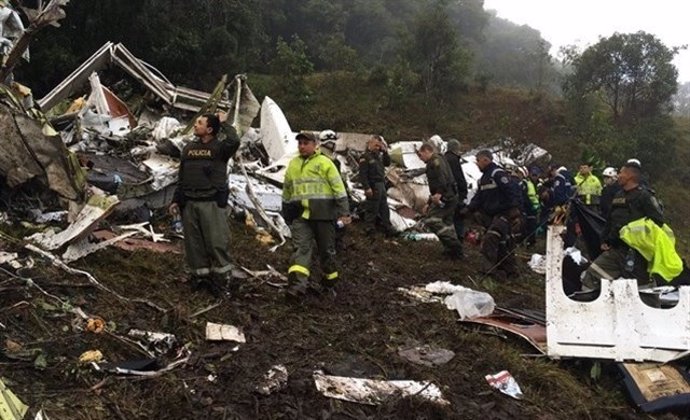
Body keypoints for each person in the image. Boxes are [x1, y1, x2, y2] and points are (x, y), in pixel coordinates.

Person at [169, 112, 240, 297]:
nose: (195, 125)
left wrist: (224, 124)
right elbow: (182, 176)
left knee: (216, 243)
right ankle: (200, 280)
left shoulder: (220, 149)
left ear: (209, 129)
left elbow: (234, 141)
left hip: (211, 203)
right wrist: (176, 200)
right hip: (189, 203)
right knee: (194, 245)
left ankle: (222, 282)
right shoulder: (188, 149)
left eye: (199, 122)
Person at [282, 132, 351, 296]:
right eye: (300, 144)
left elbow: (339, 190)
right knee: (301, 250)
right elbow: (287, 190)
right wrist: (286, 212)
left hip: (324, 216)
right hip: (301, 216)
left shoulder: (325, 163)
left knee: (326, 252)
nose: (302, 146)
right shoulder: (293, 164)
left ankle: (329, 282)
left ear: (315, 145)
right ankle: (297, 286)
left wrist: (344, 212)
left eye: (306, 143)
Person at [581, 162, 664, 292]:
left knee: (641, 290)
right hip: (615, 250)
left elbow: (658, 221)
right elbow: (610, 219)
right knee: (591, 276)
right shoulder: (618, 195)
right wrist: (605, 239)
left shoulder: (645, 196)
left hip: (636, 254)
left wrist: (634, 232)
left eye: (621, 173)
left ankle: (653, 309)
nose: (618, 176)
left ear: (630, 176)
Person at [464, 150, 523, 279]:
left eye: (478, 161)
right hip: (491, 215)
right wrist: (468, 209)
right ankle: (510, 271)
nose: (477, 164)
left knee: (491, 237)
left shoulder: (497, 174)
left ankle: (488, 271)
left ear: (485, 160)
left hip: (504, 213)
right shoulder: (483, 179)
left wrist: (515, 209)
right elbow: (478, 197)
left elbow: (511, 190)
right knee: (503, 242)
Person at [416, 143, 463, 259]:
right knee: (447, 222)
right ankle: (452, 250)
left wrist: (439, 194)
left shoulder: (435, 161)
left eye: (421, 155)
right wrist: (429, 202)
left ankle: (455, 246)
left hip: (446, 196)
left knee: (432, 219)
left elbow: (443, 178)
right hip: (449, 195)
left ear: (427, 151)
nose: (421, 159)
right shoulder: (438, 159)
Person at [358, 134, 394, 236]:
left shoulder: (379, 156)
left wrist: (385, 151)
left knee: (384, 207)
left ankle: (388, 227)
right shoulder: (365, 157)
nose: (377, 147)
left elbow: (387, 163)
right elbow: (363, 174)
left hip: (381, 184)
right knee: (372, 208)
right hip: (373, 185)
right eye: (375, 145)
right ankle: (369, 229)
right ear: (370, 143)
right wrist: (367, 187)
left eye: (379, 145)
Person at [444, 138, 469, 242]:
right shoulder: (454, 160)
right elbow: (459, 177)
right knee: (458, 216)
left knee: (448, 218)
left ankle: (449, 239)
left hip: (445, 193)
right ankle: (458, 239)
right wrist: (463, 191)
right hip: (455, 193)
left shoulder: (444, 159)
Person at [517, 166, 539, 246]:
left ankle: (530, 244)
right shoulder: (524, 184)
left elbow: (531, 196)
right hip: (527, 208)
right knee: (524, 228)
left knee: (531, 228)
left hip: (531, 209)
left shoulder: (528, 184)